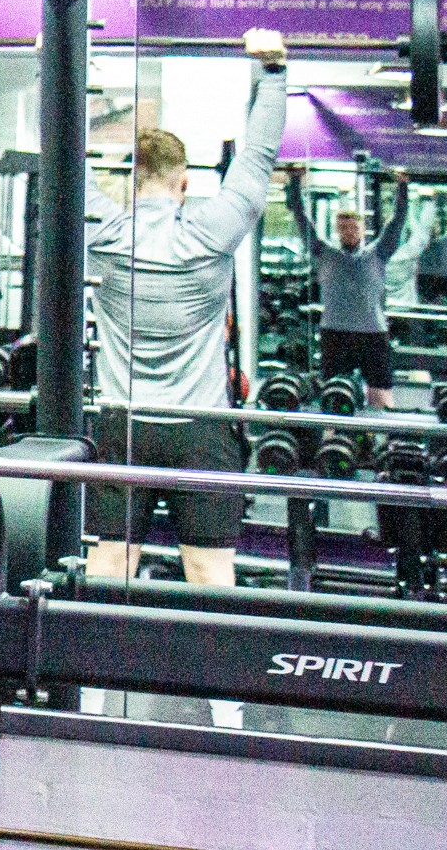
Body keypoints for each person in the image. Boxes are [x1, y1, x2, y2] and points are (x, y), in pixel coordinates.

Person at [86, 31, 290, 587]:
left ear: (133, 180)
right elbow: (257, 159)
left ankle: (78, 674)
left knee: (109, 562)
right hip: (201, 430)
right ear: (183, 181)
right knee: (207, 570)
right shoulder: (209, 232)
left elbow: (62, 155)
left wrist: (49, 63)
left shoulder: (103, 230)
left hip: (122, 423)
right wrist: (273, 72)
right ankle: (213, 674)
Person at [284, 164, 411, 408]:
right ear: (337, 230)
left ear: (363, 230)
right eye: (344, 227)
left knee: (381, 394)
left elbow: (397, 222)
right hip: (335, 333)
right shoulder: (324, 253)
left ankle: (387, 440)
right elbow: (302, 218)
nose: (349, 231)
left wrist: (402, 186)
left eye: (354, 227)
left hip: (373, 333)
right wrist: (296, 182)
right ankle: (333, 440)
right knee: (333, 395)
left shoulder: (378, 253)